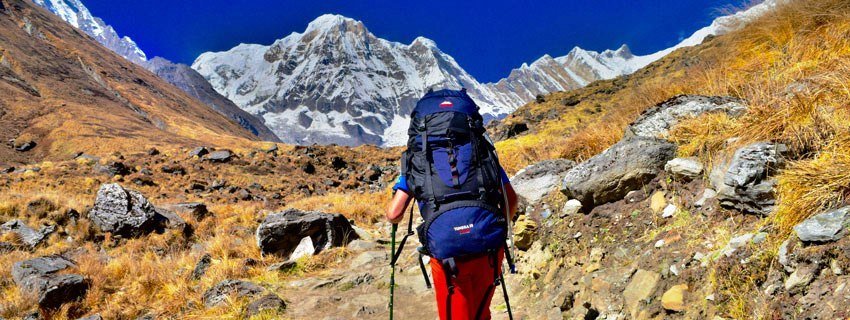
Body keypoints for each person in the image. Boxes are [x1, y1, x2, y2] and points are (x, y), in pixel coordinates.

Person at [386, 88, 518, 320]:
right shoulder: (482, 153)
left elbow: (394, 213)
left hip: (447, 252)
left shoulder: (418, 160)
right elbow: (511, 200)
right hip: (488, 245)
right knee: (481, 311)